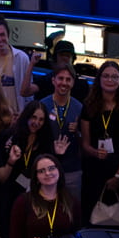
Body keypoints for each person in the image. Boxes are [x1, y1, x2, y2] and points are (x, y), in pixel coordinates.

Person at [80, 61, 119, 221]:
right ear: (99, 79)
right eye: (106, 76)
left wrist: (118, 176)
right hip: (94, 172)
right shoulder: (89, 106)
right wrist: (94, 152)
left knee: (118, 219)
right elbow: (85, 144)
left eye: (114, 76)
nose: (110, 80)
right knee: (91, 217)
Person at [9, 153, 77, 238]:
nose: (47, 173)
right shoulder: (23, 201)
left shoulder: (71, 201)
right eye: (41, 171)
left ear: (59, 170)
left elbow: (76, 234)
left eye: (51, 168)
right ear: (36, 176)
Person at [40, 61, 85, 203]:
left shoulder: (80, 108)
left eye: (68, 79)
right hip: (46, 168)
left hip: (72, 169)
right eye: (60, 78)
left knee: (72, 210)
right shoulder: (42, 105)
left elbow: (86, 141)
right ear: (53, 80)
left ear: (73, 82)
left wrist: (79, 131)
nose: (64, 83)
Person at [0, 100, 54, 200]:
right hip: (10, 189)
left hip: (35, 191)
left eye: (41, 119)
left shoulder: (46, 139)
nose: (36, 123)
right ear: (27, 116)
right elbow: (1, 161)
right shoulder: (11, 135)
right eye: (34, 117)